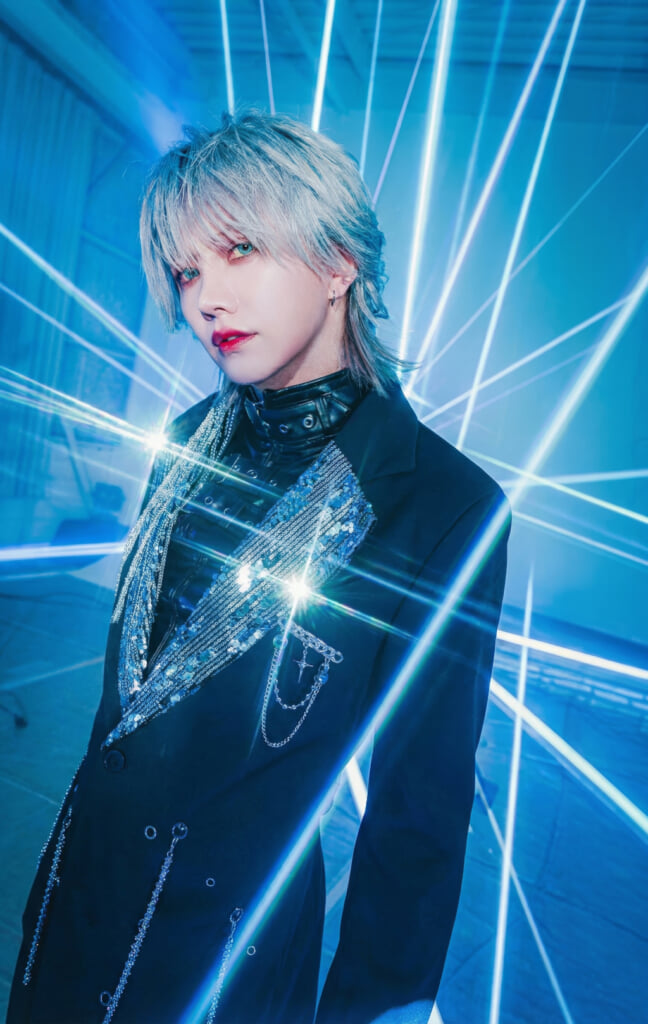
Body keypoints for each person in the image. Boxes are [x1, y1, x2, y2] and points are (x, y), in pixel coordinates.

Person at [8, 111, 510, 1024]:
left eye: (240, 249)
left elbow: (418, 816)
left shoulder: (442, 506)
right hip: (70, 920)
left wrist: (375, 1010)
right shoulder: (183, 439)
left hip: (223, 960)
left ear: (337, 261)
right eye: (188, 270)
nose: (206, 297)